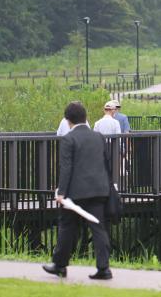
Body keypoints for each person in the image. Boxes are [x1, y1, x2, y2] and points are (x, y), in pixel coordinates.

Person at [43, 102, 112, 280]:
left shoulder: (69, 139)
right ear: (85, 117)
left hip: (76, 192)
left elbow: (66, 168)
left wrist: (61, 192)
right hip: (99, 189)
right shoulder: (98, 137)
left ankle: (60, 265)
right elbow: (106, 163)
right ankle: (104, 268)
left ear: (67, 121)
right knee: (98, 228)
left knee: (67, 227)